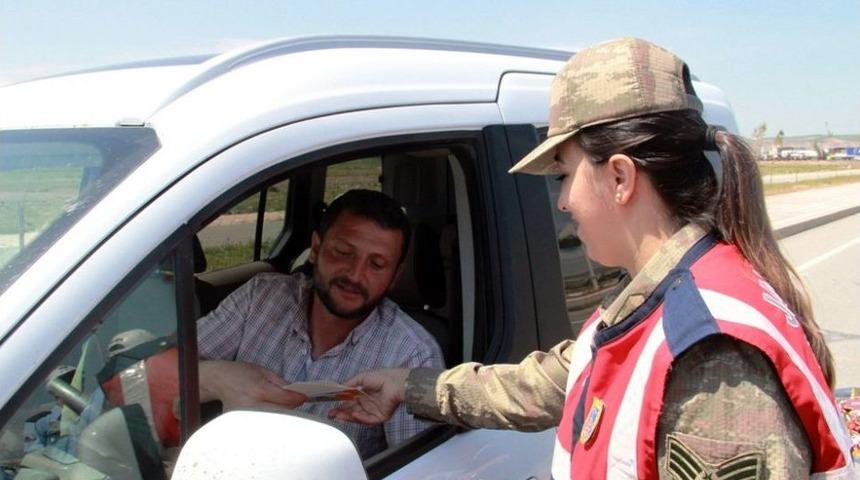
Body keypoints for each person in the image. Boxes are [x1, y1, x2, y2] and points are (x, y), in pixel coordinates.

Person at [330, 38, 856, 478]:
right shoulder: (654, 300)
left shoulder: (711, 358)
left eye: (565, 174)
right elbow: (548, 384)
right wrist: (409, 386)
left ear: (620, 177)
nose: (561, 201)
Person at [197, 189, 444, 458]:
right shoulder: (260, 298)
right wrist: (217, 376)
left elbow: (422, 469)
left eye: (377, 264)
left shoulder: (412, 355)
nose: (355, 275)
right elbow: (171, 369)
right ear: (315, 249)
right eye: (343, 252)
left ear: (394, 276)